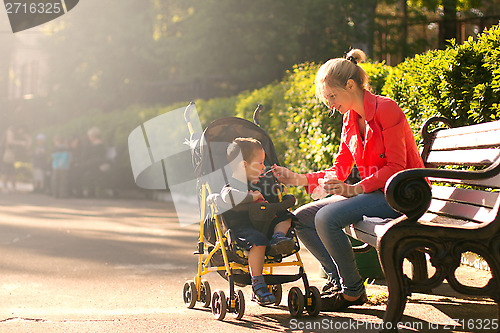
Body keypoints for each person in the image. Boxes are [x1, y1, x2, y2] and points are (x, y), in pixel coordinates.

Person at [272, 49, 425, 311]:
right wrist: (299, 179)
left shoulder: (387, 110)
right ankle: (338, 281)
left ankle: (352, 291)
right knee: (301, 218)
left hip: (403, 194)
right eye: (326, 98)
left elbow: (396, 167)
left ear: (351, 85)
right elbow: (339, 170)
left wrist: (354, 189)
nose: (330, 104)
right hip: (374, 195)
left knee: (326, 218)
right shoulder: (349, 119)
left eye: (332, 96)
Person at [220, 137, 295, 305]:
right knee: (258, 241)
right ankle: (258, 283)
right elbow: (226, 197)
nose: (264, 167)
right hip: (243, 228)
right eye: (260, 163)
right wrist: (251, 196)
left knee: (286, 216)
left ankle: (278, 238)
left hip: (265, 223)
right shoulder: (232, 185)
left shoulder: (261, 183)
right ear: (244, 165)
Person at [1, 125, 31, 192]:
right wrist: (21, 143)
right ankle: (5, 187)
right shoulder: (10, 131)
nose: (22, 132)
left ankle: (13, 188)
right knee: (6, 172)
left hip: (11, 156)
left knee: (12, 172)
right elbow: (10, 141)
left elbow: (27, 145)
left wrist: (27, 139)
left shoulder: (16, 134)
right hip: (6, 155)